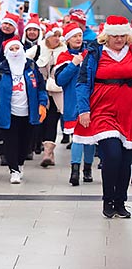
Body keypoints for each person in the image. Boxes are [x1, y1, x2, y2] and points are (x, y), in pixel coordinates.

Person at [74, 15, 132, 218]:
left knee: (126, 160)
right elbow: (82, 83)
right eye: (115, 35)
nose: (119, 39)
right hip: (102, 110)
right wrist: (83, 110)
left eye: (123, 35)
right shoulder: (95, 53)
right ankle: (108, 199)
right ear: (106, 36)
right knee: (113, 155)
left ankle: (120, 201)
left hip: (128, 112)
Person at [0, 37, 48, 184]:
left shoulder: (31, 67)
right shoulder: (0, 69)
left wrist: (42, 104)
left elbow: (40, 88)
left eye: (17, 48)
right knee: (10, 143)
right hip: (8, 113)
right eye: (11, 49)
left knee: (26, 144)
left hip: (29, 113)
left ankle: (20, 164)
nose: (15, 52)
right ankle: (13, 169)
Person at [54, 22, 93, 186]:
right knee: (77, 137)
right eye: (74, 36)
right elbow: (60, 80)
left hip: (90, 101)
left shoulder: (90, 54)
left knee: (90, 138)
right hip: (72, 101)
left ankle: (88, 169)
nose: (78, 39)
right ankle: (75, 170)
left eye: (79, 35)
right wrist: (73, 64)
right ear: (68, 39)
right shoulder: (63, 57)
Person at [26, 23, 67, 167]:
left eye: (58, 35)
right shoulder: (37, 49)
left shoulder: (64, 50)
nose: (57, 38)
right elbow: (22, 61)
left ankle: (47, 153)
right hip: (40, 91)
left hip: (57, 91)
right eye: (53, 35)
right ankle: (45, 149)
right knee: (40, 122)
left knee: (52, 121)